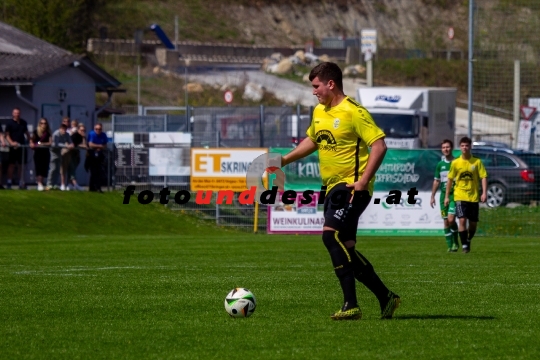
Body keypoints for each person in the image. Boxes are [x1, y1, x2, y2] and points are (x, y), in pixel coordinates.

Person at [279, 62, 400, 320]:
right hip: (333, 188)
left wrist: (363, 181)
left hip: (352, 187)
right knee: (347, 248)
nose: (314, 91)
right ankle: (386, 297)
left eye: (316, 86)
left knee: (329, 237)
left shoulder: (354, 111)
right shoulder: (320, 111)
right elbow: (313, 139)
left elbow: (379, 146)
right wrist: (284, 160)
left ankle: (351, 305)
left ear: (330, 84)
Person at [445, 137, 488, 253]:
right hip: (460, 196)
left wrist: (484, 192)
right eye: (462, 145)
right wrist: (447, 196)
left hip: (473, 197)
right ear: (460, 147)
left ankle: (468, 239)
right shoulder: (455, 163)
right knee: (462, 220)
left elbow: (483, 177)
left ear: (470, 147)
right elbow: (449, 179)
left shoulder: (477, 162)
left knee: (473, 224)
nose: (465, 148)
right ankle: (464, 245)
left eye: (467, 145)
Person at [430, 139, 459, 252]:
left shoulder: (457, 163)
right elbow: (436, 181)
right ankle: (450, 246)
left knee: (451, 219)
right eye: (443, 147)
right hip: (443, 196)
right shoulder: (440, 165)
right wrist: (432, 196)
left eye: (447, 147)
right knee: (446, 221)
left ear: (451, 148)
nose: (446, 149)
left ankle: (456, 242)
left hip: (454, 195)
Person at [5, 107, 30, 189]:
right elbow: (7, 135)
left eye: (18, 113)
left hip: (21, 147)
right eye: (15, 113)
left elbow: (27, 133)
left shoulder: (23, 123)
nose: (17, 114)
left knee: (21, 165)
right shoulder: (9, 123)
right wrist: (12, 143)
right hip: (13, 148)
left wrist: (31, 141)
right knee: (11, 165)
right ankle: (9, 182)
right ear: (13, 114)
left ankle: (21, 182)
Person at [46, 123, 73, 190]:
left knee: (58, 169)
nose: (64, 131)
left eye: (65, 129)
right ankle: (49, 184)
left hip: (60, 152)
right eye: (62, 129)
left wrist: (72, 144)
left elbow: (70, 141)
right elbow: (56, 144)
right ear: (60, 129)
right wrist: (66, 146)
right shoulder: (56, 134)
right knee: (53, 168)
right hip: (53, 151)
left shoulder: (67, 134)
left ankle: (54, 184)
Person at [29, 118, 52, 191]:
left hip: (45, 152)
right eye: (42, 123)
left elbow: (50, 142)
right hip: (38, 152)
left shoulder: (48, 133)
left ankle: (41, 183)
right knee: (38, 167)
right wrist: (31, 143)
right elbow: (32, 140)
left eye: (45, 123)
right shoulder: (36, 132)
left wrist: (41, 144)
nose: (43, 125)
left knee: (44, 167)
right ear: (39, 124)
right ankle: (39, 183)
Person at [87, 123, 108, 192]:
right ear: (94, 129)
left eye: (99, 129)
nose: (98, 130)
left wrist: (99, 147)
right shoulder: (92, 134)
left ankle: (97, 187)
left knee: (99, 172)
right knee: (93, 171)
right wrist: (100, 146)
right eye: (96, 129)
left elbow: (105, 145)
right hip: (92, 155)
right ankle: (93, 187)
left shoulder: (103, 135)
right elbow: (90, 144)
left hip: (100, 155)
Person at [67, 123, 87, 191]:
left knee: (73, 169)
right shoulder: (75, 136)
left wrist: (84, 137)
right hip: (70, 154)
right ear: (78, 130)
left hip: (76, 154)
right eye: (81, 130)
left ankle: (70, 184)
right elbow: (74, 144)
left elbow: (84, 145)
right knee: (72, 169)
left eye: (84, 130)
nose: (83, 132)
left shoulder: (81, 137)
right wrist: (80, 145)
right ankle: (75, 185)